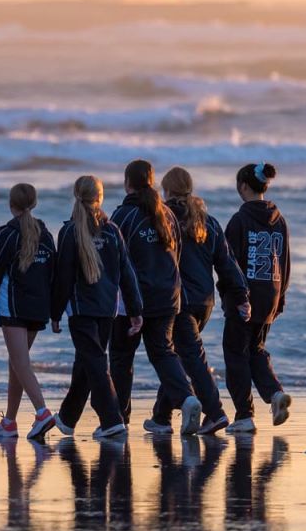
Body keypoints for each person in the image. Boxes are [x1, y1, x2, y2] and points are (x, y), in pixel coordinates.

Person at [150, 166, 252, 435]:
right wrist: (241, 294)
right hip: (204, 302)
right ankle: (161, 417)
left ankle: (215, 412)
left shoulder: (163, 219)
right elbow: (227, 263)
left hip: (179, 301)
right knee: (180, 355)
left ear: (167, 190)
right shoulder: (208, 221)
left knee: (190, 356)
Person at [109, 159, 202, 435]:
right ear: (151, 182)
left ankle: (119, 419)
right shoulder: (168, 214)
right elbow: (178, 254)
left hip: (133, 301)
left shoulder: (123, 216)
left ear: (127, 183)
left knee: (121, 358)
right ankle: (187, 398)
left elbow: (113, 261)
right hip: (168, 297)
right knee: (163, 352)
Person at [51, 175, 144, 439]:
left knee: (94, 362)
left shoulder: (70, 231)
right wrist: (135, 309)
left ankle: (112, 419)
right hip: (107, 310)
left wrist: (55, 313)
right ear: (100, 198)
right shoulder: (112, 231)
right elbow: (128, 274)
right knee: (87, 362)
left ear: (76, 195)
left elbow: (63, 278)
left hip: (82, 310)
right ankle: (68, 418)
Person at [0, 183, 58, 442]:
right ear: (33, 204)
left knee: (20, 362)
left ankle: (42, 412)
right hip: (38, 309)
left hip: (15, 307)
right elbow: (53, 275)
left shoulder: (7, 234)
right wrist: (53, 310)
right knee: (17, 362)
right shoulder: (46, 235)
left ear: (10, 204)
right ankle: (10, 422)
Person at [223, 163, 292, 434]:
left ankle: (244, 414)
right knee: (255, 350)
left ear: (243, 186)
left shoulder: (240, 220)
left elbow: (229, 264)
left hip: (245, 299)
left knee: (235, 353)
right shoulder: (280, 220)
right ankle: (275, 394)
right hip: (271, 296)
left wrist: (231, 296)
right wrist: (281, 296)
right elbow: (285, 262)